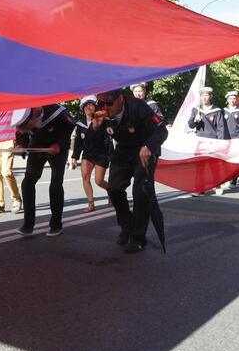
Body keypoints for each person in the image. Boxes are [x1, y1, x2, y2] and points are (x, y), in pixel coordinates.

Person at [94, 88, 168, 253]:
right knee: (113, 189)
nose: (105, 107)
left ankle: (138, 238)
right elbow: (92, 146)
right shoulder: (103, 115)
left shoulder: (138, 107)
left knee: (140, 192)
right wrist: (96, 128)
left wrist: (149, 146)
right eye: (101, 103)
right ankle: (126, 227)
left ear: (120, 99)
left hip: (144, 151)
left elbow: (162, 131)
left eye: (109, 102)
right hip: (123, 151)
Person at [13, 104, 75, 236]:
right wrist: (20, 145)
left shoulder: (57, 112)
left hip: (57, 146)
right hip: (37, 145)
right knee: (27, 182)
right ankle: (28, 225)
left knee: (56, 183)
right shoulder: (25, 114)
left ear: (35, 113)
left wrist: (59, 144)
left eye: (28, 126)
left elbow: (69, 127)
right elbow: (20, 131)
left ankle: (56, 224)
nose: (27, 129)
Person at [187, 86, 229, 196]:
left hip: (213, 141)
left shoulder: (217, 110)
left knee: (213, 166)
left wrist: (220, 142)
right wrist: (195, 121)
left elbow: (220, 127)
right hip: (200, 141)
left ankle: (218, 184)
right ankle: (199, 189)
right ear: (200, 97)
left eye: (206, 95)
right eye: (202, 96)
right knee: (199, 167)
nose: (204, 98)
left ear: (210, 96)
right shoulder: (196, 110)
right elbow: (190, 125)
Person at [70, 96, 110, 213]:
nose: (88, 107)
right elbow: (78, 142)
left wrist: (110, 155)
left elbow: (107, 139)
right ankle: (91, 204)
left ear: (95, 106)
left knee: (99, 181)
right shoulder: (80, 124)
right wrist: (74, 157)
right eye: (86, 105)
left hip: (101, 154)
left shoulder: (103, 121)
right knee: (85, 177)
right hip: (88, 154)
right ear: (83, 108)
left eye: (91, 104)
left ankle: (110, 190)